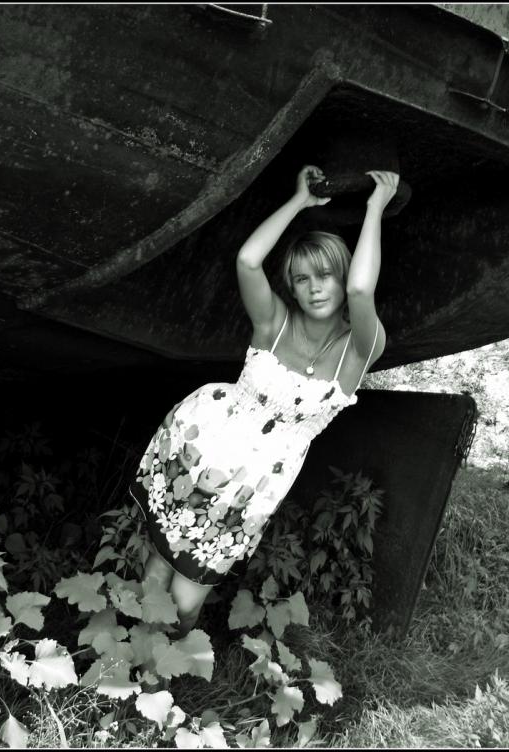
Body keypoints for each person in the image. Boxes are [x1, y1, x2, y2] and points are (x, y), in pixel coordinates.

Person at [128, 165, 397, 635]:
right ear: (290, 286)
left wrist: (375, 209)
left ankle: (163, 658)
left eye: (326, 275)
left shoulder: (358, 351)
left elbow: (361, 288)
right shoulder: (273, 323)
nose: (315, 288)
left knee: (186, 601)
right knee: (155, 575)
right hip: (197, 448)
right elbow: (248, 261)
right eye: (301, 279)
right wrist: (299, 202)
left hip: (247, 489)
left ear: (342, 278)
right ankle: (133, 660)